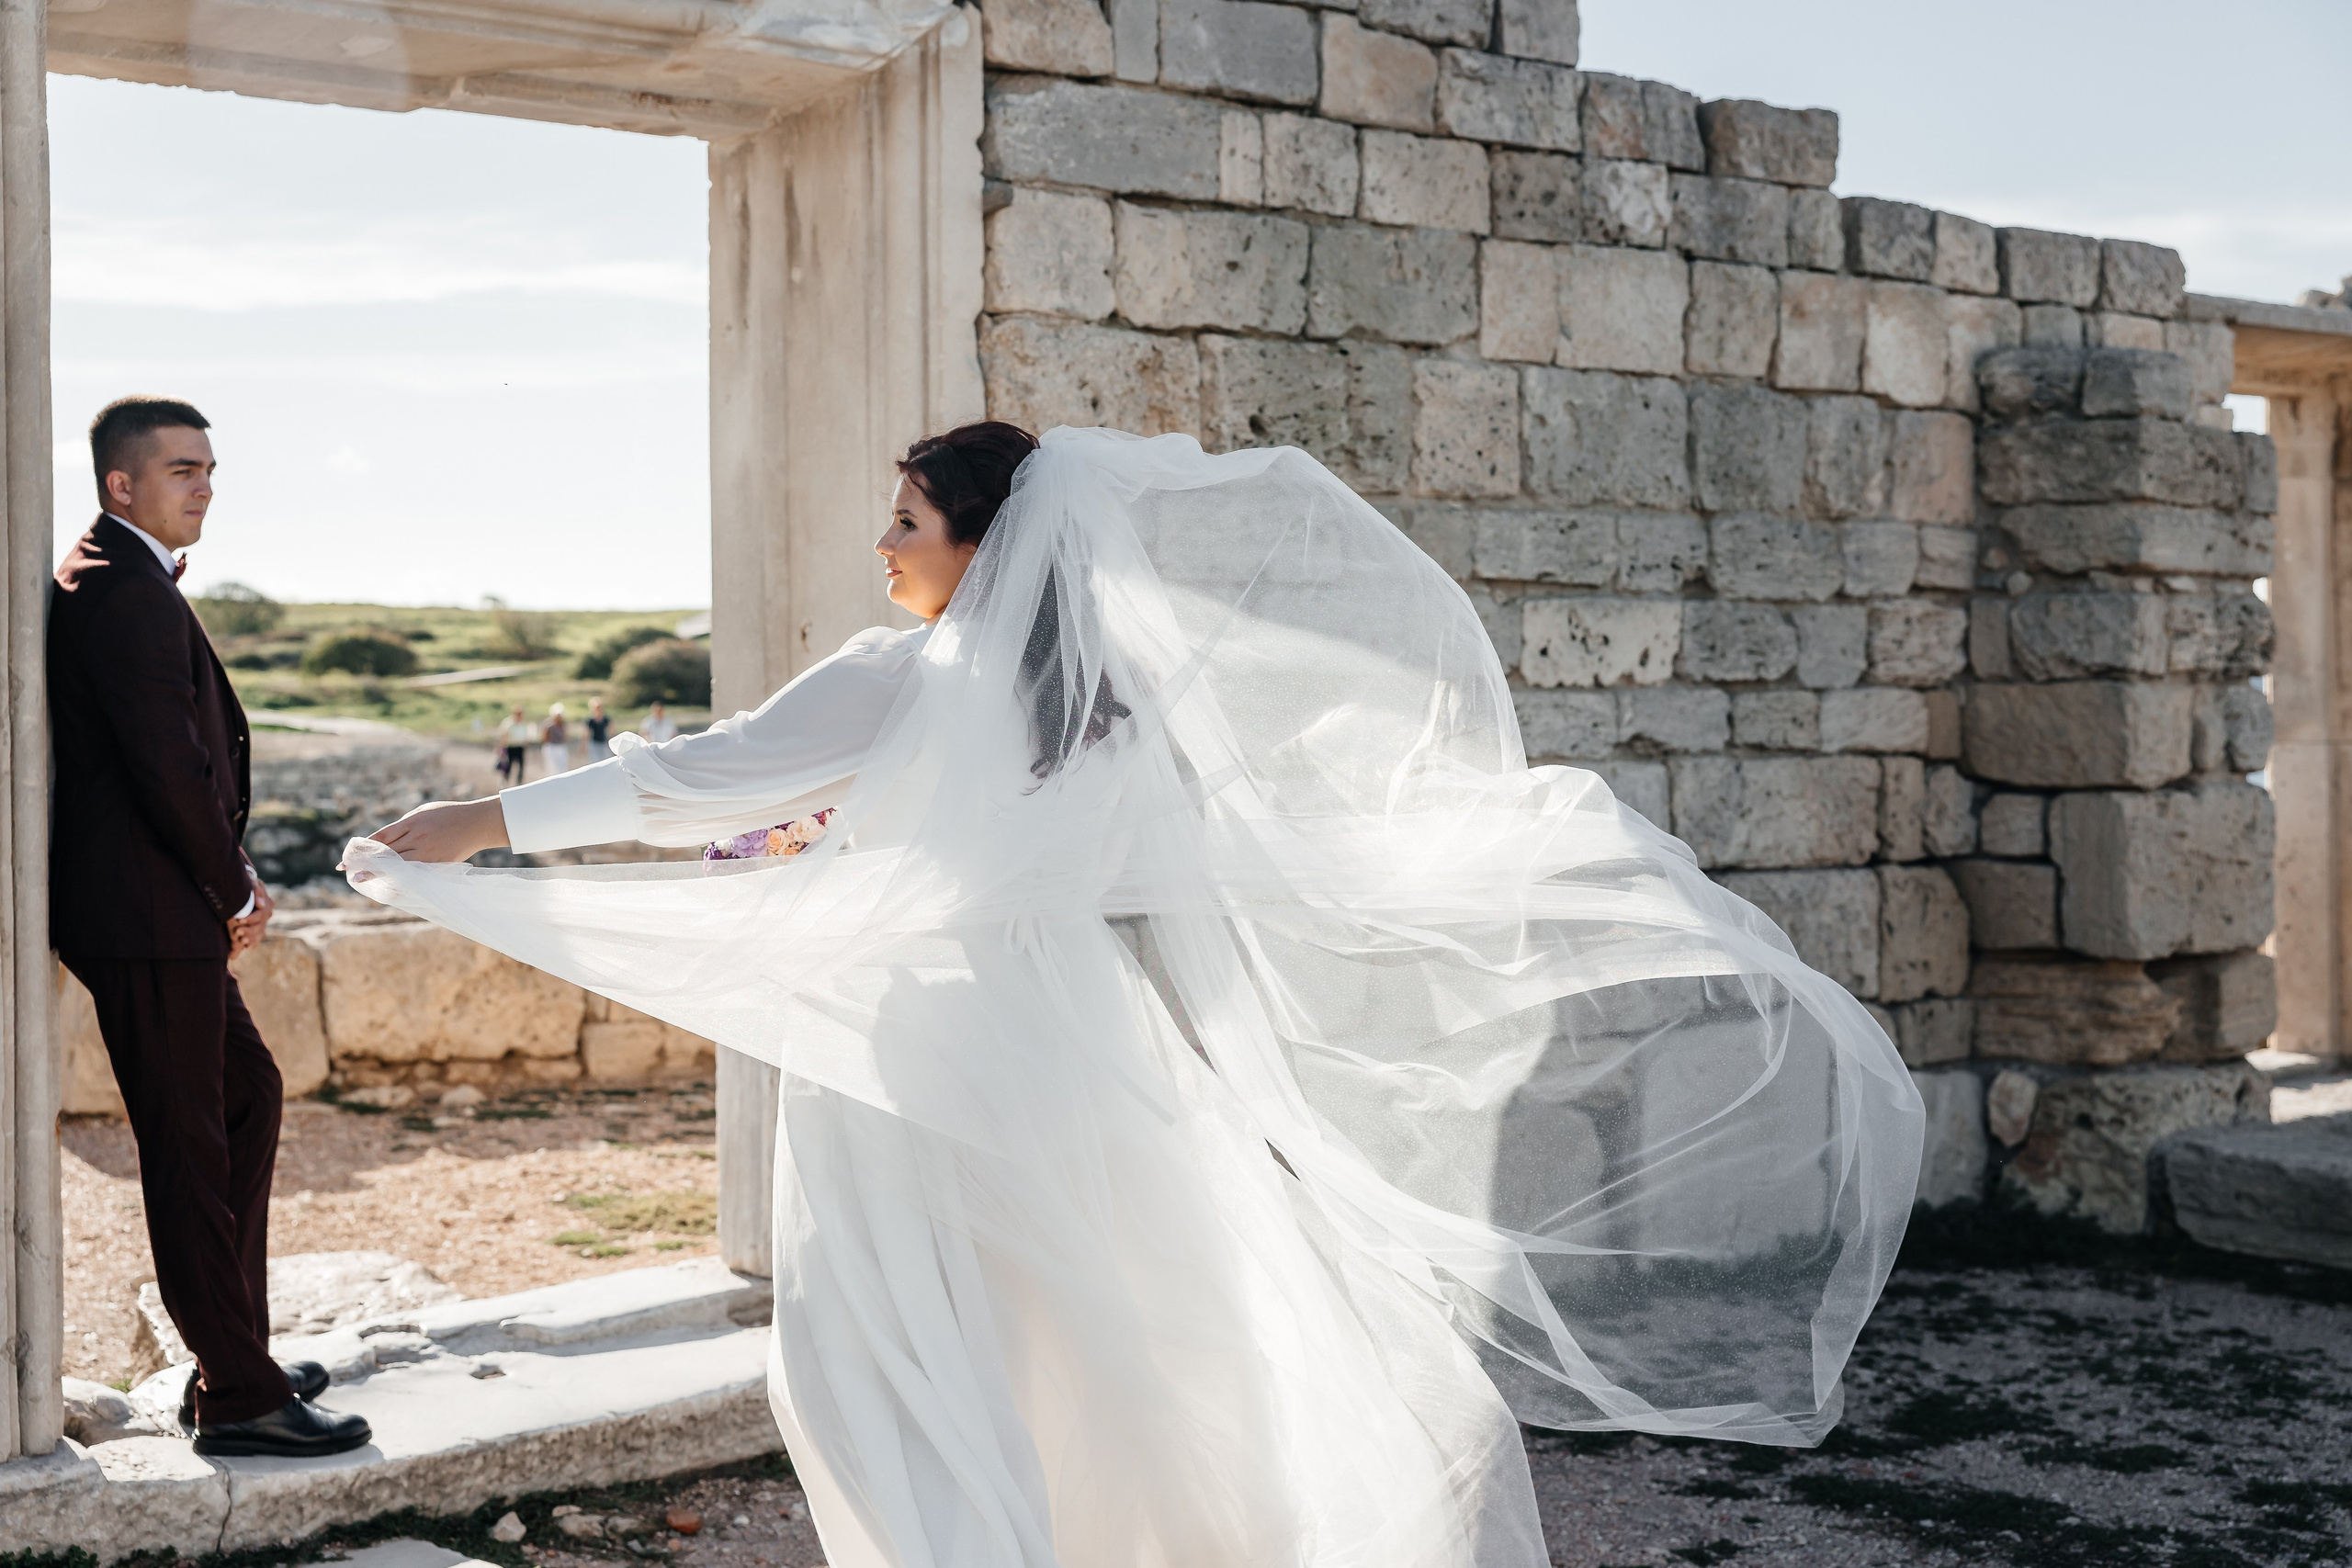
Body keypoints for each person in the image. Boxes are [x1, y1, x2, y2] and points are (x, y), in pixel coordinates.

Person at [354, 423, 1921, 1566]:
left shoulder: (898, 675)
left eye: (904, 519)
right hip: (1076, 1045)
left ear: (980, 542)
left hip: (919, 1054)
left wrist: (477, 828)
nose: (884, 546)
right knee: (1100, 1343)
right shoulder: (1102, 702)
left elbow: (696, 778)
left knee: (886, 1355)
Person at [50, 397, 372, 1459]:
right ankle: (237, 1396)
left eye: (209, 469)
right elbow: (167, 763)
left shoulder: (128, 578)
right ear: (120, 484)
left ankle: (236, 1357)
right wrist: (234, 888)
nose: (204, 486)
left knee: (245, 1095)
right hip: (146, 914)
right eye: (182, 469)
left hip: (155, 908)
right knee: (190, 1149)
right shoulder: (118, 589)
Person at [499, 705, 535, 784]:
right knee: (508, 767)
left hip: (520, 747)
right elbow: (503, 735)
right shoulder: (508, 723)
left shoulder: (523, 724)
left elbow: (526, 736)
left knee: (521, 767)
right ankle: (505, 782)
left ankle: (519, 784)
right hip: (510, 747)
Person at [541, 703, 570, 776]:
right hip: (551, 747)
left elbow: (565, 736)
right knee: (551, 769)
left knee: (562, 768)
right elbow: (544, 737)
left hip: (560, 747)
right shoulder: (548, 725)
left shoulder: (563, 724)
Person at [584, 698, 613, 762]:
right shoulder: (590, 721)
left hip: (604, 742)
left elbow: (612, 731)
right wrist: (584, 746)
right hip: (594, 743)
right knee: (595, 761)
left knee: (606, 761)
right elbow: (586, 734)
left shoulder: (606, 719)